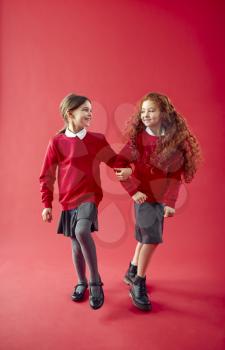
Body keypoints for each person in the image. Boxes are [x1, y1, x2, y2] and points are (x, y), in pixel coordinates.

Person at [39, 93, 131, 310]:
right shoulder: (57, 142)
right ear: (70, 113)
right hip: (67, 199)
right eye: (85, 110)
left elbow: (115, 160)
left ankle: (95, 282)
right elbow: (47, 175)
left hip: (89, 196)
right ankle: (82, 282)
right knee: (75, 243)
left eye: (91, 110)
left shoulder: (97, 140)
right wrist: (46, 205)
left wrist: (128, 168)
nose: (90, 114)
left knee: (81, 232)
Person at [115, 92, 202, 311]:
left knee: (146, 237)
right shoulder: (139, 140)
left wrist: (170, 202)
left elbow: (174, 176)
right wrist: (133, 191)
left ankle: (132, 271)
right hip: (144, 197)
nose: (145, 114)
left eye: (151, 110)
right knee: (152, 239)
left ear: (164, 113)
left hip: (159, 200)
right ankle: (138, 282)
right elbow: (120, 165)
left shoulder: (173, 141)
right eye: (143, 111)